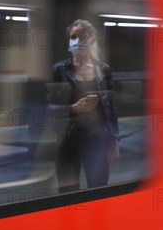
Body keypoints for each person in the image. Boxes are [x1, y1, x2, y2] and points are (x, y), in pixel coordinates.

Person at [47, 19, 120, 193]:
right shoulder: (59, 70)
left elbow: (112, 108)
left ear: (92, 40)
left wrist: (114, 142)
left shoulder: (103, 70)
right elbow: (48, 108)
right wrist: (73, 108)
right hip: (68, 139)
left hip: (97, 140)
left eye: (82, 37)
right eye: (73, 37)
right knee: (67, 194)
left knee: (98, 191)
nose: (77, 42)